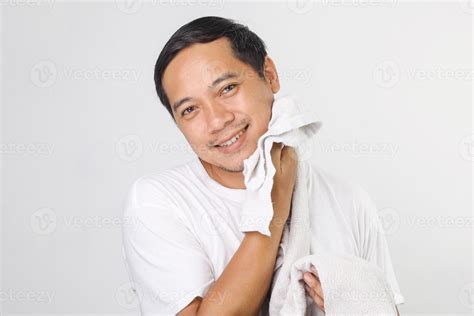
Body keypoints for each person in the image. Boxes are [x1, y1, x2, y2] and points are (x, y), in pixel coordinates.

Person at [121, 16, 404, 315]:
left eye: (227, 88)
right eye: (190, 109)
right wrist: (275, 202)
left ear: (269, 75)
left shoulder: (349, 200)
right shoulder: (157, 204)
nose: (217, 120)